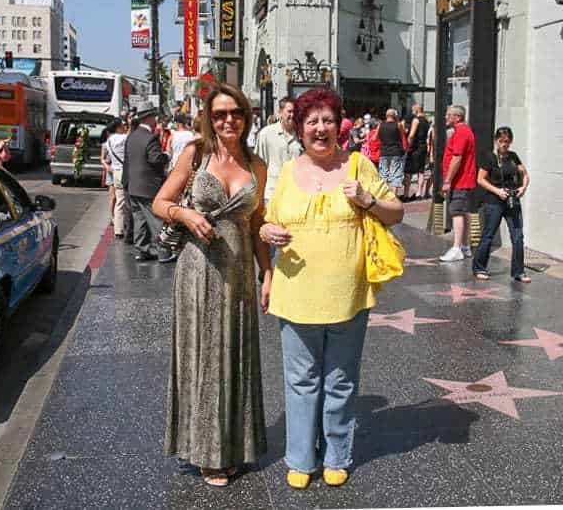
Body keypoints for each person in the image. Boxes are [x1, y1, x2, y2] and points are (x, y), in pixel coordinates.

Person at [259, 88, 404, 490]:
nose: (320, 129)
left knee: (340, 381)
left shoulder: (358, 164)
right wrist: (267, 230)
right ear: (299, 127)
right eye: (311, 121)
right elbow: (267, 222)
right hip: (295, 292)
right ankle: (302, 458)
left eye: (327, 120)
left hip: (347, 295)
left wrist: (368, 199)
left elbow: (397, 213)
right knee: (301, 381)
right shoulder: (288, 171)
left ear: (338, 124)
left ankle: (337, 454)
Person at [154, 84, 270, 488]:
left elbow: (255, 225)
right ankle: (205, 452)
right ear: (209, 116)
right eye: (220, 113)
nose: (227, 121)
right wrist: (185, 215)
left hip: (238, 272)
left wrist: (266, 273)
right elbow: (159, 202)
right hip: (198, 270)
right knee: (202, 359)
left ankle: (233, 446)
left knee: (235, 356)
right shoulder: (195, 153)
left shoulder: (257, 164)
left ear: (246, 116)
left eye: (235, 113)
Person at [472, 127, 531, 282]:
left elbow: (525, 174)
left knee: (518, 236)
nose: (504, 144)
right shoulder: (489, 157)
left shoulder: (513, 157)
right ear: (496, 140)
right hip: (494, 201)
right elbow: (480, 179)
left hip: (512, 200)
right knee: (488, 235)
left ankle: (518, 271)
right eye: (501, 141)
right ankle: (479, 267)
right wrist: (497, 191)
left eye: (507, 141)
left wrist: (523, 188)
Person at [122, 101, 174, 262]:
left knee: (140, 219)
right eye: (154, 117)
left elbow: (128, 161)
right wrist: (167, 155)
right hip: (148, 186)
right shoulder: (150, 138)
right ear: (149, 118)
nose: (156, 120)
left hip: (133, 185)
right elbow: (156, 159)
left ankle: (142, 250)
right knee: (156, 219)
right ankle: (163, 251)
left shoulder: (132, 136)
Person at [439, 105, 477, 262]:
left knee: (456, 211)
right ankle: (465, 245)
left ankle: (457, 248)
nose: (446, 117)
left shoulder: (461, 132)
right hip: (463, 180)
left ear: (457, 117)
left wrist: (448, 180)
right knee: (463, 211)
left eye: (449, 115)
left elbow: (457, 157)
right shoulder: (463, 131)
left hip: (460, 180)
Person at [254, 96, 303, 203]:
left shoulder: (302, 135)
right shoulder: (266, 134)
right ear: (280, 112)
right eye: (289, 111)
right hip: (272, 194)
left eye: (295, 112)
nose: (292, 115)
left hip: (295, 194)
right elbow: (258, 166)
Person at [105, 120, 129, 239]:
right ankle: (129, 227)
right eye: (123, 126)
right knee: (130, 201)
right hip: (126, 171)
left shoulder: (109, 141)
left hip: (116, 172)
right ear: (118, 127)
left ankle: (118, 230)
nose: (125, 127)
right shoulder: (124, 138)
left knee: (119, 201)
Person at [404, 104, 431, 200]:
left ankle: (406, 194)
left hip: (414, 148)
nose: (412, 112)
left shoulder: (416, 120)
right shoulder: (427, 121)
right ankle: (419, 193)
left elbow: (411, 135)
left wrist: (407, 145)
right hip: (423, 147)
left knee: (408, 172)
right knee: (421, 171)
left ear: (416, 110)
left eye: (412, 110)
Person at [377, 108, 406, 191]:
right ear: (395, 116)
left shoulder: (380, 125)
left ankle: (384, 195)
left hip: (384, 152)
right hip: (396, 151)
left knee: (383, 175)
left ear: (386, 115)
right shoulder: (398, 125)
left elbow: (374, 138)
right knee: (396, 174)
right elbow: (403, 137)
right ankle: (394, 196)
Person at [100, 123, 118, 227]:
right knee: (113, 196)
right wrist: (107, 167)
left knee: (118, 197)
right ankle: (112, 217)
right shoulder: (105, 144)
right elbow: (102, 158)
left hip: (119, 170)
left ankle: (117, 216)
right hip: (111, 171)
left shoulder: (120, 141)